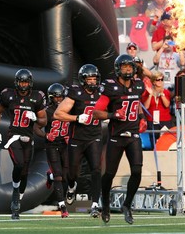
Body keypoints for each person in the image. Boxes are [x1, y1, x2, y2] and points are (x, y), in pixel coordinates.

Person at [93, 54, 146, 224]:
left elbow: (136, 103)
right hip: (116, 136)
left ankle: (127, 205)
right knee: (109, 174)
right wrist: (112, 114)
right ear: (118, 69)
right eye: (124, 67)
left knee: (137, 171)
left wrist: (142, 118)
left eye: (130, 67)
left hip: (133, 135)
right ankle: (106, 204)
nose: (128, 69)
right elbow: (95, 112)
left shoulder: (138, 85)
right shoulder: (110, 87)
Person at [0, 69, 47, 220]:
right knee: (19, 164)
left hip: (28, 138)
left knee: (25, 173)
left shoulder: (36, 97)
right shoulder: (8, 95)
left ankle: (18, 200)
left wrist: (35, 117)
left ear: (30, 83)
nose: (23, 85)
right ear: (16, 83)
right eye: (21, 82)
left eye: (25, 82)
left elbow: (44, 121)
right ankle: (15, 194)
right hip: (13, 137)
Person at [53, 64, 103, 218]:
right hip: (77, 138)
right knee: (73, 173)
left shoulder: (102, 93)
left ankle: (95, 205)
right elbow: (58, 114)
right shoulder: (76, 93)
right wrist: (76, 118)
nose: (93, 82)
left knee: (96, 169)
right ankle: (72, 185)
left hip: (94, 136)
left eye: (95, 79)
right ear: (83, 80)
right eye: (90, 79)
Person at [34, 83, 70, 218]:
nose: (59, 100)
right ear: (51, 98)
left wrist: (69, 136)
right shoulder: (47, 111)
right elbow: (36, 127)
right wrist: (46, 135)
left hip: (65, 145)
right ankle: (62, 206)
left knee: (67, 174)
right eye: (56, 97)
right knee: (58, 176)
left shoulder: (70, 109)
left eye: (61, 97)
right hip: (52, 145)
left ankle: (50, 175)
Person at [141, 70, 172, 150]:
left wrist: (162, 94)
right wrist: (151, 94)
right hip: (152, 120)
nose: (160, 82)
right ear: (153, 82)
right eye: (158, 80)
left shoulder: (166, 92)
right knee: (153, 142)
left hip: (165, 120)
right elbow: (146, 106)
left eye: (162, 79)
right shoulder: (147, 92)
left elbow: (167, 104)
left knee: (164, 142)